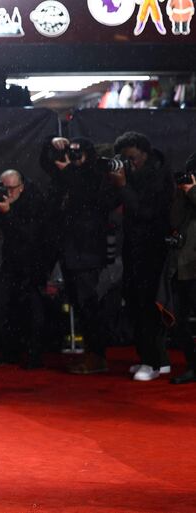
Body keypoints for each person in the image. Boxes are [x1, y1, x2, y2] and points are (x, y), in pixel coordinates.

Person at [40, 137, 121, 374]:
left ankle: (97, 355)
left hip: (87, 251)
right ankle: (90, 353)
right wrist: (51, 143)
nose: (74, 158)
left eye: (78, 154)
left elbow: (94, 200)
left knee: (88, 304)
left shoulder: (96, 175)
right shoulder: (66, 175)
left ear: (88, 155)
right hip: (69, 250)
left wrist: (69, 172)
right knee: (77, 303)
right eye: (71, 153)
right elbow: (45, 162)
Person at [112, 131, 173, 381]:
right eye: (125, 159)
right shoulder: (134, 175)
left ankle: (153, 361)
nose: (130, 163)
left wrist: (124, 186)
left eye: (133, 158)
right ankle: (152, 359)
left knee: (149, 305)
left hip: (153, 249)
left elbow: (145, 212)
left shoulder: (158, 177)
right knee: (137, 303)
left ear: (145, 154)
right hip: (134, 249)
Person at [0, 169, 47, 368]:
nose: (7, 192)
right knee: (2, 303)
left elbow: (29, 235)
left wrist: (8, 213)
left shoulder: (35, 203)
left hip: (33, 263)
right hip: (10, 262)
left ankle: (34, 355)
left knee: (33, 310)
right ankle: (9, 351)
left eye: (11, 188)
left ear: (21, 188)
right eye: (3, 187)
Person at [166, 152, 196, 384]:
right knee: (183, 320)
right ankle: (193, 365)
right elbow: (174, 221)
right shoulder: (185, 196)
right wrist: (181, 194)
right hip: (184, 266)